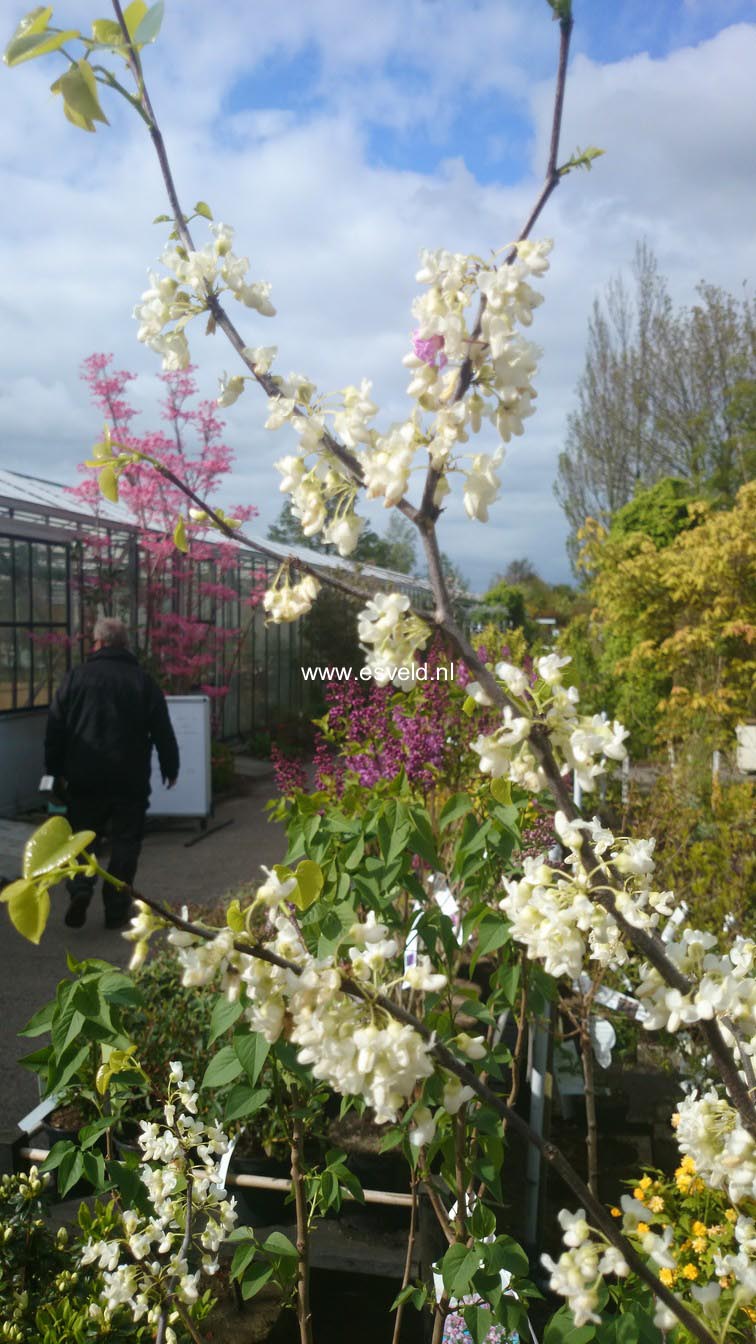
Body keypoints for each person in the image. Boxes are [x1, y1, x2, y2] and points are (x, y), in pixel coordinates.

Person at [44, 616, 179, 930]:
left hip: (84, 777)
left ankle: (80, 888)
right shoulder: (141, 680)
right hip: (128, 779)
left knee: (80, 838)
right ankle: (116, 906)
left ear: (99, 643)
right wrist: (170, 766)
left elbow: (56, 728)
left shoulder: (76, 678)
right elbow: (162, 728)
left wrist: (53, 770)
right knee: (126, 842)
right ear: (125, 645)